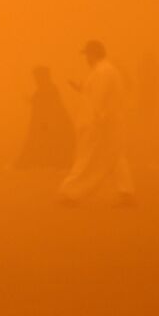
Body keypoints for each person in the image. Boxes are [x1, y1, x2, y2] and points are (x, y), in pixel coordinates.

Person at [58, 41, 136, 207]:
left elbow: (99, 98)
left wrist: (96, 121)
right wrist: (79, 86)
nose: (86, 58)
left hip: (100, 122)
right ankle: (126, 191)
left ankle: (71, 192)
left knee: (87, 157)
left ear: (93, 54)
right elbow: (96, 93)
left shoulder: (102, 72)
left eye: (87, 55)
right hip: (108, 121)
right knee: (114, 156)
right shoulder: (106, 71)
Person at [15, 66, 75, 169]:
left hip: (50, 124)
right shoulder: (47, 88)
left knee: (47, 143)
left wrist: (33, 101)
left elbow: (49, 106)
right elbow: (41, 103)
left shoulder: (49, 88)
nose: (36, 80)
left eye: (37, 77)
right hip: (46, 124)